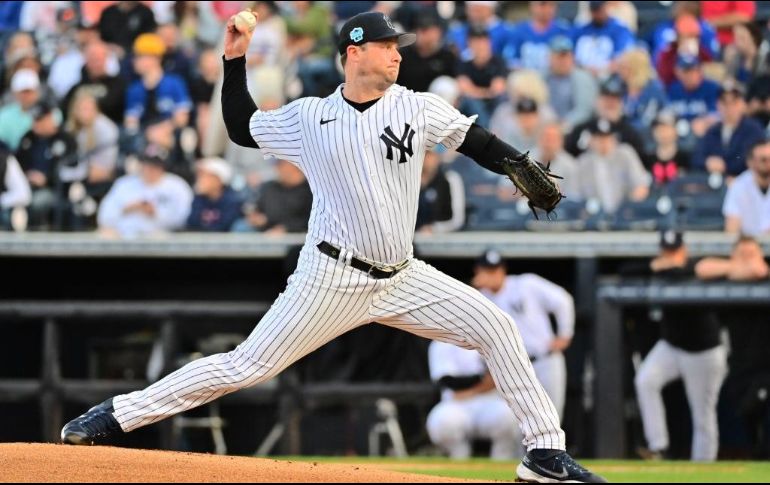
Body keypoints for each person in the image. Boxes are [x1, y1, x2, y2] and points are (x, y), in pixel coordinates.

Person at [61, 11, 605, 483]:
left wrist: (517, 164)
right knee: (244, 366)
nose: (397, 56)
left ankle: (544, 452)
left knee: (498, 327)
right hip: (330, 277)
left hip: (403, 275)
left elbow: (479, 142)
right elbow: (241, 127)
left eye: (398, 48)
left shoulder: (417, 106)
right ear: (354, 51)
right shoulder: (311, 117)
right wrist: (234, 61)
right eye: (387, 46)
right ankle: (115, 415)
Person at [628, 230, 727, 461]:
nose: (671, 256)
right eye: (667, 251)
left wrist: (677, 267)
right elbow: (625, 271)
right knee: (645, 381)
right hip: (672, 346)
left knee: (702, 414)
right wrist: (656, 266)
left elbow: (715, 267)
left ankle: (703, 468)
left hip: (704, 351)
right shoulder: (659, 269)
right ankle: (658, 446)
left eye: (675, 251)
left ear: (684, 249)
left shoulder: (696, 266)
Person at [471, 250, 575, 436]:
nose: (492, 275)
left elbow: (563, 300)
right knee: (517, 423)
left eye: (495, 270)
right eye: (487, 270)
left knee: (553, 419)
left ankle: (547, 463)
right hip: (513, 366)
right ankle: (523, 464)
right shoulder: (479, 298)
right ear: (478, 272)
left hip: (545, 359)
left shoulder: (526, 283)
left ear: (503, 270)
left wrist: (565, 334)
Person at [426, 339, 518, 460]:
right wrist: (482, 381)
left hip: (489, 401)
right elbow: (448, 382)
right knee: (442, 422)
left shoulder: (492, 339)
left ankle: (502, 462)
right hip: (456, 404)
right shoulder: (442, 342)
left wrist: (471, 390)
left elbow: (502, 378)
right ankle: (458, 461)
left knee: (509, 416)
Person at [96, 144, 193, 239]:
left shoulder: (176, 186)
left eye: (154, 165)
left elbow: (184, 219)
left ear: (163, 167)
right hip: (125, 239)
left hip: (162, 240)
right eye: (146, 164)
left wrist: (155, 213)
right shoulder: (124, 184)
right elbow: (103, 218)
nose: (149, 169)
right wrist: (127, 209)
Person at [574, 118, 650, 214]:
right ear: (591, 140)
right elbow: (575, 196)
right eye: (599, 138)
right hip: (593, 217)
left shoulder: (625, 154)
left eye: (607, 137)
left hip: (624, 216)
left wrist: (629, 206)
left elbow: (641, 187)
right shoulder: (583, 162)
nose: (604, 142)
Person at [692, 81, 766, 177]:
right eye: (725, 102)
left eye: (734, 102)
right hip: (715, 184)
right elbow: (696, 157)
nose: (729, 107)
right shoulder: (713, 130)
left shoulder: (753, 128)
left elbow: (750, 159)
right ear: (718, 105)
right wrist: (707, 162)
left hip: (745, 183)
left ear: (742, 103)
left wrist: (724, 165)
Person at [231, 157, 312, 234]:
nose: (277, 168)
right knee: (241, 226)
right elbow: (258, 207)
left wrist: (286, 228)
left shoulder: (310, 189)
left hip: (295, 234)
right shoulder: (270, 186)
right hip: (266, 229)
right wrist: (256, 216)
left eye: (282, 164)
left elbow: (308, 220)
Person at [503, 1, 571, 74]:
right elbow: (510, 60)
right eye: (542, 4)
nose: (547, 9)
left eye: (551, 4)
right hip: (527, 80)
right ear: (532, 5)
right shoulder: (519, 31)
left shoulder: (563, 31)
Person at [722, 138, 770, 236]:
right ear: (750, 162)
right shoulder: (739, 186)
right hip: (749, 245)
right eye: (763, 160)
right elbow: (731, 229)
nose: (768, 163)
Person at [186, 157, 242, 232]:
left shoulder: (232, 201)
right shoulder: (198, 199)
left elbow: (225, 227)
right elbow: (192, 223)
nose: (200, 180)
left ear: (219, 180)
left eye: (205, 176)